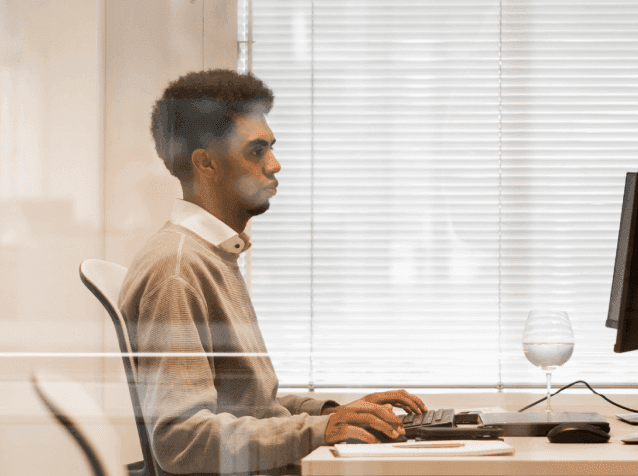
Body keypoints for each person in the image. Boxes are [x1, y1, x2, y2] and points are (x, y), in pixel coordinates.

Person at [120, 69, 427, 475]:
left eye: (271, 148)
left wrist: (335, 415)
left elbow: (250, 406)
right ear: (206, 163)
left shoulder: (211, 256)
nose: (275, 164)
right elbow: (181, 440)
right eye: (256, 151)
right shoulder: (177, 268)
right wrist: (317, 431)